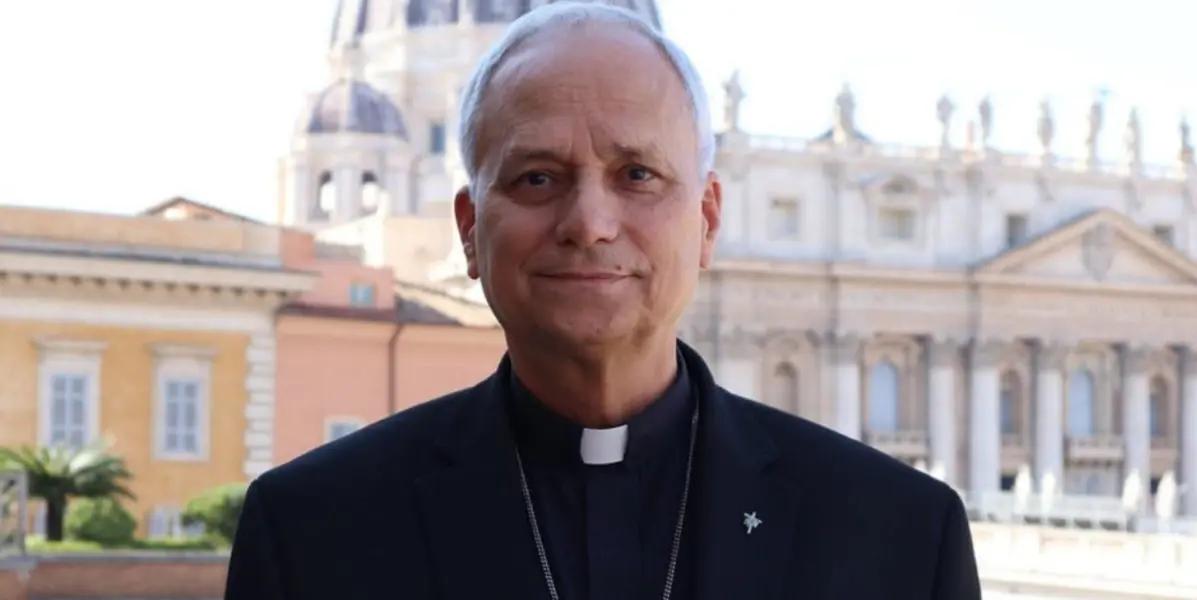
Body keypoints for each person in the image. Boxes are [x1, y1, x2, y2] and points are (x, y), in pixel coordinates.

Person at [225, 3, 981, 599]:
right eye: (537, 178)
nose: (589, 223)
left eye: (638, 175)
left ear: (707, 220)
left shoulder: (905, 540)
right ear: (469, 229)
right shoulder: (309, 535)